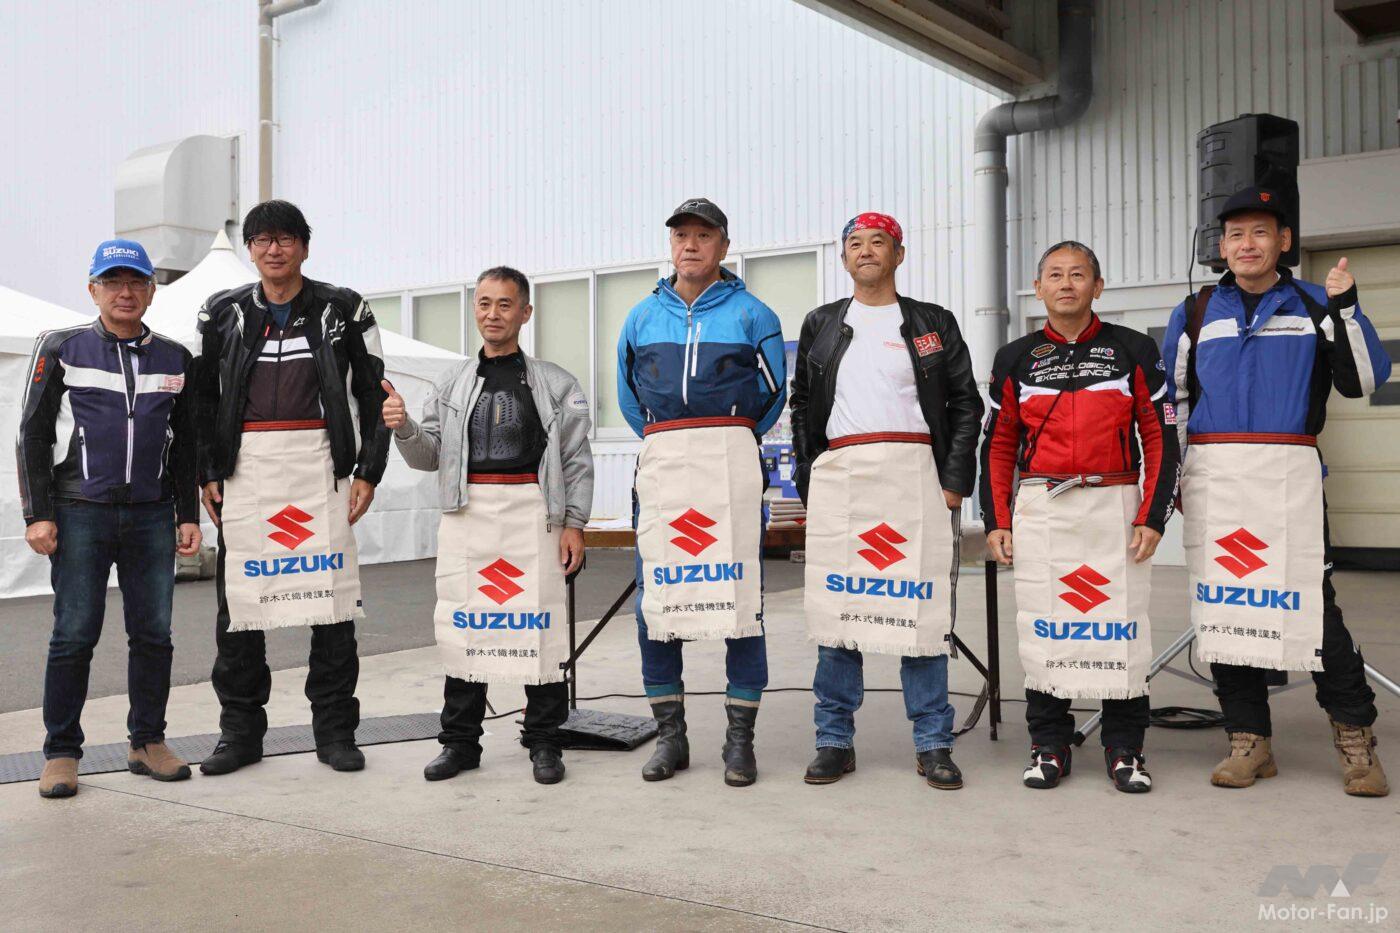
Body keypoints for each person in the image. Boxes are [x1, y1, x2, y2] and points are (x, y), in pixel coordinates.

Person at [1163, 187, 1392, 797]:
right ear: (1222, 246)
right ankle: (1248, 741)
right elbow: (1173, 401)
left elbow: (1365, 379)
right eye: (1236, 235)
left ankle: (1355, 741)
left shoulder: (1316, 302)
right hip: (1215, 478)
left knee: (1314, 610)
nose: (1247, 244)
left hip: (1288, 477)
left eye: (1260, 232)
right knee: (1226, 605)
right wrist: (1175, 476)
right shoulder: (1195, 311)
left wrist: (1347, 308)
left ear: (1284, 241)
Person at [194, 200, 390, 776]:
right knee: (240, 610)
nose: (273, 249)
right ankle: (239, 735)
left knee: (332, 607)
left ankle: (335, 732)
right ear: (250, 249)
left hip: (320, 470)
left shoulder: (343, 307)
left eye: (284, 238)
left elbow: (375, 393)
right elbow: (201, 399)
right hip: (245, 473)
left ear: (304, 246)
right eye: (262, 240)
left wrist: (369, 470)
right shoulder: (221, 311)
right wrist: (207, 470)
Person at [790, 212, 983, 789]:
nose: (867, 251)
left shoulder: (932, 322)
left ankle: (933, 742)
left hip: (915, 475)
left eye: (879, 242)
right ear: (843, 257)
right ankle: (833, 740)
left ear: (899, 254)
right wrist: (810, 474)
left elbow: (965, 403)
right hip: (842, 476)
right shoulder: (822, 323)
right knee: (838, 614)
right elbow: (802, 403)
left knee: (920, 610)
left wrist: (954, 480)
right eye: (855, 243)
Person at [980, 241, 1179, 793]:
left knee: (1121, 625)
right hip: (1043, 506)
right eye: (1054, 275)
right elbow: (997, 445)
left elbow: (1161, 435)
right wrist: (997, 519)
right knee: (1044, 625)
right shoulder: (1015, 357)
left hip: (1114, 504)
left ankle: (1125, 749)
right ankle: (1048, 745)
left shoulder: (1134, 349)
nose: (1066, 284)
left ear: (1098, 286)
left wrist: (1153, 515)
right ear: (1038, 288)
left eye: (1078, 274)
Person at [386, 266, 593, 784]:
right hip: (467, 514)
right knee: (465, 626)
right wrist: (404, 426)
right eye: (484, 303)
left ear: (525, 312)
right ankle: (459, 744)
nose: (493, 314)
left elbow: (575, 459)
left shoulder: (555, 382)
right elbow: (429, 457)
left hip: (534, 513)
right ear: (474, 310)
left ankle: (545, 741)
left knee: (540, 626)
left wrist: (574, 523)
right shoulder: (450, 382)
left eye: (505, 304)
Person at [18, 239, 202, 798]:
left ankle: (147, 741)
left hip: (152, 513)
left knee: (154, 635)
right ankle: (61, 752)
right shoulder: (62, 347)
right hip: (80, 511)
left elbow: (186, 444)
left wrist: (187, 513)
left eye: (137, 282)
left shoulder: (176, 358)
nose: (126, 292)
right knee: (74, 635)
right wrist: (39, 513)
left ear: (151, 290)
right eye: (113, 282)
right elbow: (32, 434)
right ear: (92, 290)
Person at [617, 197, 786, 786]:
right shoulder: (641, 317)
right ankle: (671, 736)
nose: (690, 245)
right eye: (681, 236)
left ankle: (740, 741)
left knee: (742, 602)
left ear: (724, 246)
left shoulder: (754, 314)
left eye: (703, 236)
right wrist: (674, 442)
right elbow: (629, 397)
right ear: (671, 245)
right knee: (655, 602)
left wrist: (726, 439)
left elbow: (773, 395)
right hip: (663, 466)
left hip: (729, 468)